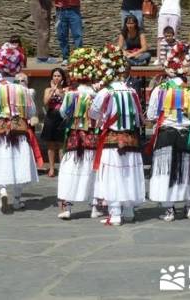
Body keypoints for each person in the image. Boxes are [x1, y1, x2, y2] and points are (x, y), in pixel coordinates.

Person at [0, 42, 41, 213]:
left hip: (0, 130)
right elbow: (31, 112)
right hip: (20, 130)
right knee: (19, 162)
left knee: (1, 161)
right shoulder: (23, 90)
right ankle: (18, 199)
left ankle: (3, 190)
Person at [90, 44, 146, 226]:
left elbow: (93, 113)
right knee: (129, 173)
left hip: (112, 139)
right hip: (131, 139)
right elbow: (138, 117)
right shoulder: (131, 92)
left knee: (112, 175)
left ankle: (114, 213)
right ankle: (129, 210)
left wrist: (103, 118)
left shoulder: (106, 92)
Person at [146, 42, 190, 222]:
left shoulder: (160, 89)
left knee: (167, 172)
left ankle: (169, 209)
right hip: (186, 132)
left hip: (167, 133)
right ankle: (189, 207)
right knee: (188, 170)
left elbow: (152, 114)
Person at [56, 47, 103, 220]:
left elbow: (63, 113)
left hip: (75, 136)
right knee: (92, 169)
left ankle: (68, 207)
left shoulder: (71, 94)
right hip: (92, 135)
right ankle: (94, 207)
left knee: (71, 168)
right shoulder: (96, 94)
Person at [40, 68, 67, 177]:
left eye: (59, 76)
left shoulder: (65, 90)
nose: (56, 78)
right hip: (51, 116)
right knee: (50, 144)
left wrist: (58, 92)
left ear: (62, 78)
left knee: (61, 144)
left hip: (62, 117)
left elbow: (66, 101)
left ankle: (62, 168)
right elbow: (45, 102)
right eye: (55, 76)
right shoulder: (48, 89)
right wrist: (52, 91)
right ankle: (51, 168)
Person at [55, 0, 83, 66]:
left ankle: (78, 58)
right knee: (62, 35)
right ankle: (65, 58)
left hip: (74, 9)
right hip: (60, 10)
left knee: (77, 35)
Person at [153, 0, 181, 66]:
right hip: (163, 12)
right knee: (160, 37)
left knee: (173, 37)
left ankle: (173, 57)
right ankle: (159, 59)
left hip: (175, 12)